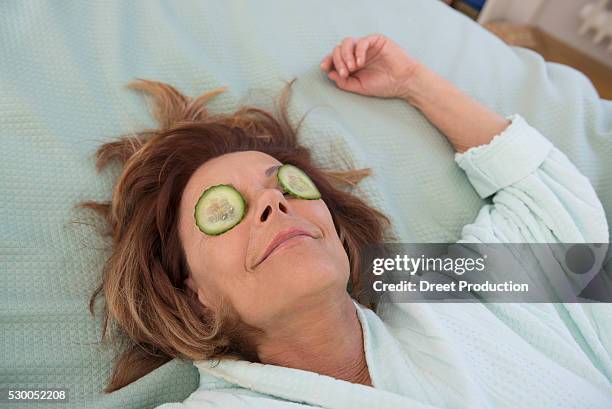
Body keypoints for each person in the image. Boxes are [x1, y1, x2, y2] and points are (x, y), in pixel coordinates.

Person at [82, 34, 611, 408]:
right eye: (223, 212)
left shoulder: (448, 294)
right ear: (194, 290)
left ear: (336, 231)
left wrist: (413, 82)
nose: (274, 204)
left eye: (286, 184)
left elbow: (543, 196)